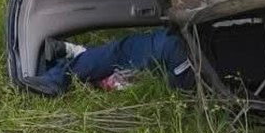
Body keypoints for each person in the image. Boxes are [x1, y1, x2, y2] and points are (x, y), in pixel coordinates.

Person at [31, 29, 193, 96]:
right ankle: (76, 54)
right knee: (144, 73)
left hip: (191, 55)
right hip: (200, 73)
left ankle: (57, 78)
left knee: (123, 52)